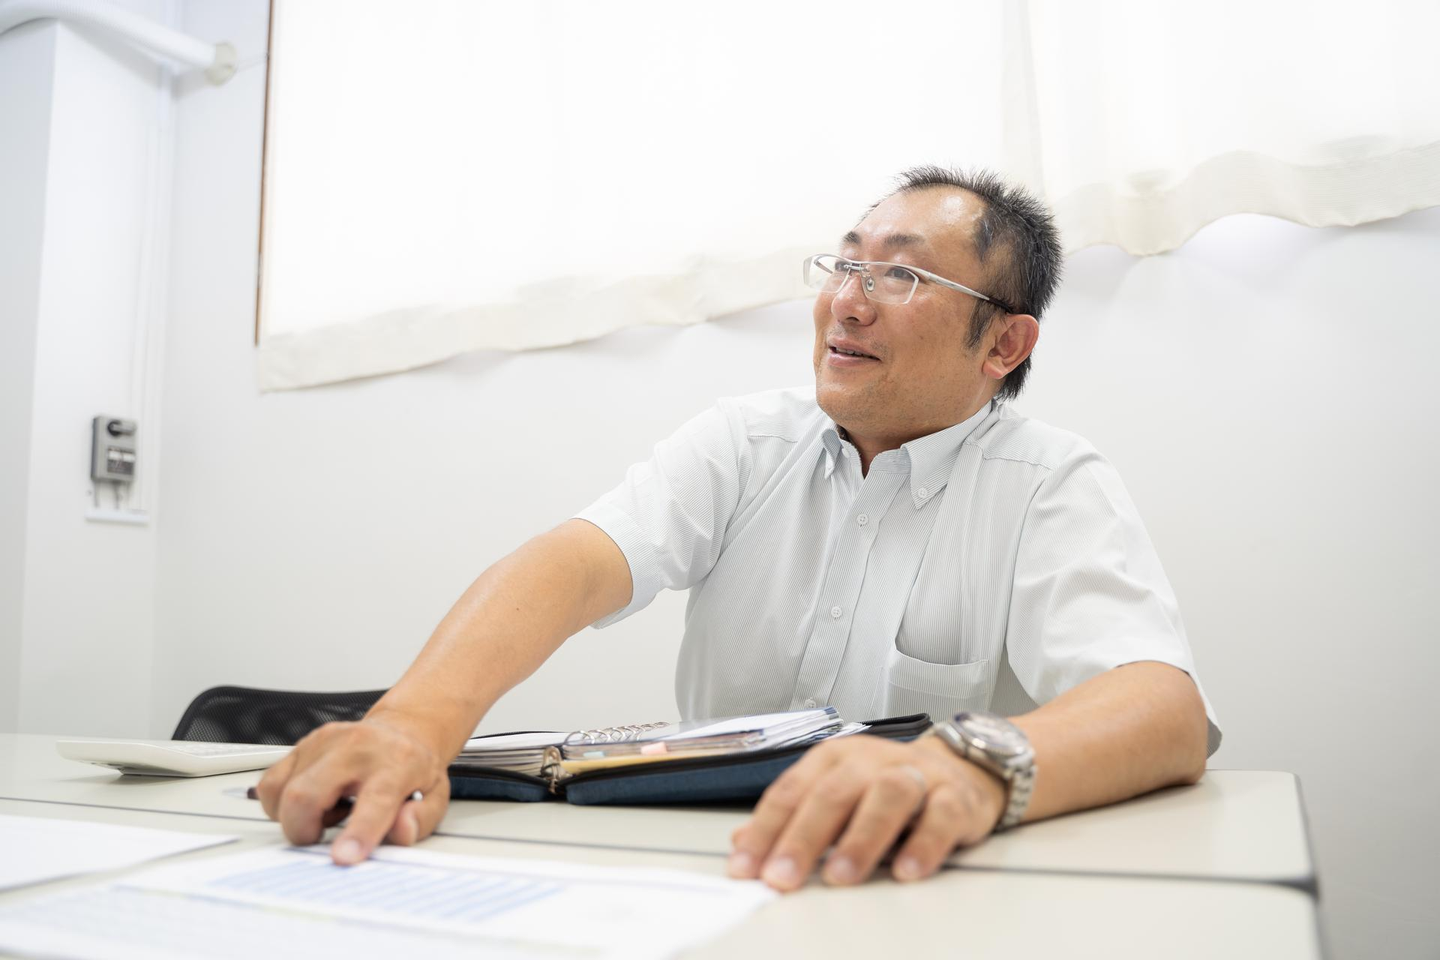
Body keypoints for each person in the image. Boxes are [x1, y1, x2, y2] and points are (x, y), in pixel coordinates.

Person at [257, 166, 1220, 892]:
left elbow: (1161, 711)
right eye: (847, 263)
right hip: (713, 866)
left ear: (1004, 342)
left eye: (901, 276)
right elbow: (573, 566)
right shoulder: (745, 442)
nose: (847, 301)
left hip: (922, 881)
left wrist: (967, 767)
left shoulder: (1049, 483)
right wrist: (410, 726)